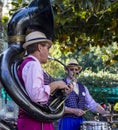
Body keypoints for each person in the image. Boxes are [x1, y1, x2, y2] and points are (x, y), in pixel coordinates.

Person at [17, 31, 72, 130]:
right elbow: (36, 96)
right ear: (39, 47)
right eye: (47, 48)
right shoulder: (33, 64)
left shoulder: (29, 64)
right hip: (35, 123)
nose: (49, 52)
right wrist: (55, 85)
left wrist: (61, 92)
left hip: (35, 121)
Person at [58, 59, 110, 130]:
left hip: (80, 122)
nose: (74, 72)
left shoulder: (83, 87)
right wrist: (73, 111)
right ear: (66, 71)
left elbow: (92, 104)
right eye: (72, 69)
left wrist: (104, 112)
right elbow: (57, 107)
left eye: (76, 70)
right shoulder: (61, 84)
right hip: (67, 121)